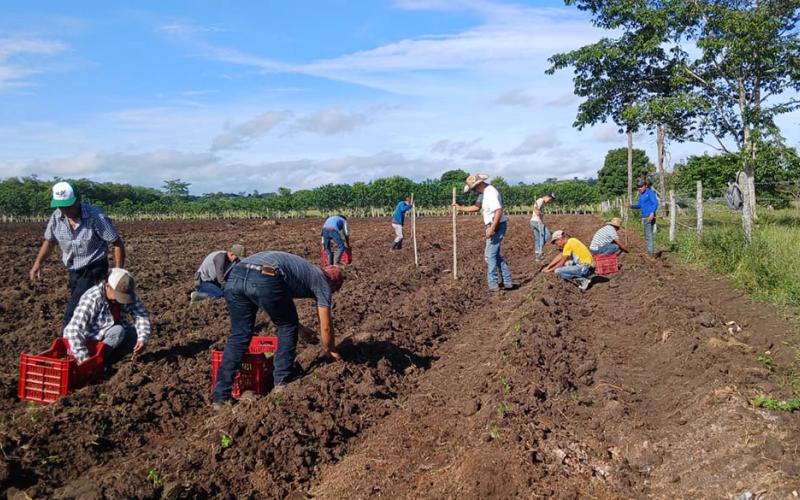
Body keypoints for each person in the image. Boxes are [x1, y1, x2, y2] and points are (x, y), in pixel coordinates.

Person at [212, 252, 345, 407]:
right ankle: (282, 382)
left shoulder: (304, 272)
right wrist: (331, 349)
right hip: (265, 275)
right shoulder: (323, 282)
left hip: (237, 274)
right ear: (333, 283)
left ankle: (220, 397)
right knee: (287, 327)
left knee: (239, 335)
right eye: (334, 291)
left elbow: (274, 306)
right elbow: (326, 326)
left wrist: (300, 329)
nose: (331, 294)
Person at [30, 181, 126, 326]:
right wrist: (38, 264)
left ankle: (67, 340)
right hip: (73, 270)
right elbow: (49, 241)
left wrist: (118, 270)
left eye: (69, 205)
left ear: (78, 200)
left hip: (94, 268)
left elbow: (116, 243)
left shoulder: (96, 217)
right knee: (90, 306)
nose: (65, 210)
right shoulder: (56, 217)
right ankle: (97, 334)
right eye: (61, 206)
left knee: (75, 309)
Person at [63, 268, 150, 365]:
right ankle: (98, 362)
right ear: (107, 286)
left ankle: (111, 361)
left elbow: (140, 315)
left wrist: (143, 338)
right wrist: (86, 361)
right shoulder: (92, 298)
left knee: (134, 334)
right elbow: (72, 330)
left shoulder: (129, 294)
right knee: (118, 331)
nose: (119, 300)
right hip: (90, 341)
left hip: (109, 334)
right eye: (117, 296)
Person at [453, 173, 513, 292]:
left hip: (496, 225)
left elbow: (498, 211)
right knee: (494, 255)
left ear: (479, 184)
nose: (473, 191)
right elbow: (477, 207)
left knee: (489, 255)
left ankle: (493, 284)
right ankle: (507, 281)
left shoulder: (490, 192)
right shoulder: (483, 193)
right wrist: (460, 208)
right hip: (494, 225)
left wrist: (492, 228)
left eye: (474, 188)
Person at [629, 180, 659, 257]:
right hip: (644, 217)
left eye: (641, 186)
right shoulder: (641, 195)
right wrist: (631, 206)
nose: (640, 188)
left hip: (649, 216)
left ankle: (650, 254)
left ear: (645, 186)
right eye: (639, 187)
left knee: (648, 235)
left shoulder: (650, 193)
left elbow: (655, 203)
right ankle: (650, 251)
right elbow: (639, 205)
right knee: (646, 235)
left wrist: (652, 213)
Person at [530, 192, 555, 261]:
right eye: (550, 200)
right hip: (536, 221)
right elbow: (535, 208)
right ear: (547, 197)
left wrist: (539, 213)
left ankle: (537, 254)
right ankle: (539, 249)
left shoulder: (542, 202)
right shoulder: (540, 200)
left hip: (534, 221)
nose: (550, 201)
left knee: (537, 238)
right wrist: (538, 212)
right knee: (547, 234)